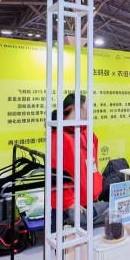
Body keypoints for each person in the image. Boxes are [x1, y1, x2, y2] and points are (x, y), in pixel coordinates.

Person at [50, 94, 107, 230]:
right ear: (76, 108)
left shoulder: (87, 131)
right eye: (87, 107)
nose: (91, 111)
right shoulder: (59, 136)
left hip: (90, 199)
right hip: (70, 206)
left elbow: (93, 163)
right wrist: (69, 201)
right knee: (69, 242)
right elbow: (55, 173)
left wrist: (96, 186)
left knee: (91, 241)